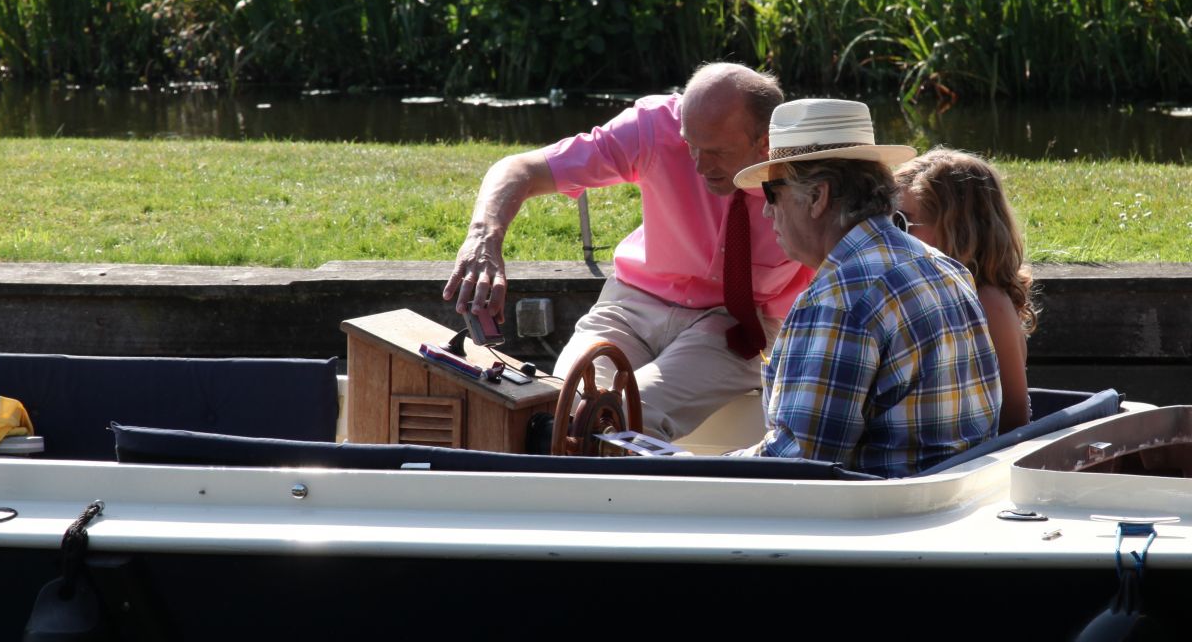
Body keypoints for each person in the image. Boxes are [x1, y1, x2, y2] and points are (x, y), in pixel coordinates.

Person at [442, 62, 814, 442]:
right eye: (689, 144)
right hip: (632, 303)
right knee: (565, 405)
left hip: (736, 324)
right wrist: (482, 240)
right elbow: (520, 168)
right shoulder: (655, 127)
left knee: (626, 415)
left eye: (716, 151)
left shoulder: (809, 174)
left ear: (765, 141)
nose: (699, 164)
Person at [732, 99, 1001, 477]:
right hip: (950, 501)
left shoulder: (839, 299)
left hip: (879, 521)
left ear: (817, 196)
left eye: (771, 192)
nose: (765, 210)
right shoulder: (943, 266)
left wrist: (688, 468)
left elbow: (799, 466)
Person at [893, 148, 1037, 432]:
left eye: (902, 222)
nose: (891, 236)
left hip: (978, 464)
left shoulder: (989, 301)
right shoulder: (921, 292)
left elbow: (1015, 416)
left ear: (958, 230)